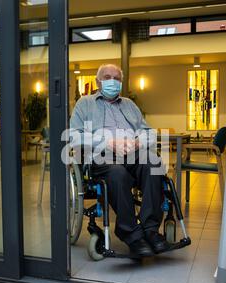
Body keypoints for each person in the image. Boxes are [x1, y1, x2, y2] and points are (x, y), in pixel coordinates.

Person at [70, 64, 169, 257]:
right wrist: (109, 142)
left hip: (133, 153)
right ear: (98, 81)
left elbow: (149, 132)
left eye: (117, 78)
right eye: (107, 77)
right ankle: (131, 234)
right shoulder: (85, 103)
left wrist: (138, 142)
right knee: (117, 173)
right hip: (102, 156)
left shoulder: (130, 105)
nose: (112, 81)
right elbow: (74, 135)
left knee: (154, 164)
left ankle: (150, 230)